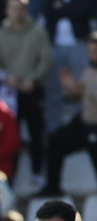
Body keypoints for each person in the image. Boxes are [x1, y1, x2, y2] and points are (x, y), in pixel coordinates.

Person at [0, 0, 50, 191]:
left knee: (35, 133)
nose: (18, 12)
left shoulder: (38, 32)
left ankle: (37, 173)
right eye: (14, 8)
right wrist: (7, 78)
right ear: (7, 10)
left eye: (21, 8)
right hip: (9, 93)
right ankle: (11, 175)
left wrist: (33, 79)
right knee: (11, 135)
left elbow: (45, 60)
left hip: (32, 90)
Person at [42, 33, 97, 199]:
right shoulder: (89, 68)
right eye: (89, 51)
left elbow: (87, 93)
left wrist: (79, 90)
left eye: (95, 51)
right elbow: (77, 97)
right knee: (56, 141)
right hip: (85, 121)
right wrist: (68, 87)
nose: (91, 55)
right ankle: (53, 188)